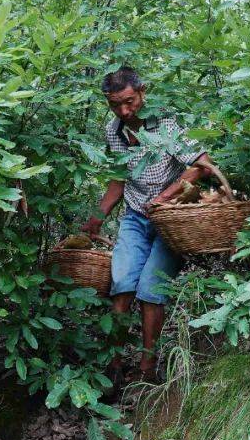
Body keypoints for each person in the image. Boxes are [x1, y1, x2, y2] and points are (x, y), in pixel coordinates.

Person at [80, 66, 215, 394]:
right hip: (135, 219)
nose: (124, 111)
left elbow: (203, 164)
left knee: (151, 289)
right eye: (115, 105)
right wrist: (97, 216)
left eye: (129, 102)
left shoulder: (164, 123)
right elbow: (119, 178)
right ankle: (112, 366)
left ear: (142, 92)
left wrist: (165, 197)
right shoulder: (114, 130)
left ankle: (147, 368)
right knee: (122, 283)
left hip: (170, 222)